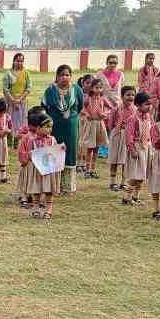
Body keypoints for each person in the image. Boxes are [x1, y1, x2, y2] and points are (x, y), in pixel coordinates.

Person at [42, 64, 85, 193]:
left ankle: (67, 186)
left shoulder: (76, 90)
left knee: (69, 153)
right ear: (57, 77)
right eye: (61, 75)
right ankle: (54, 185)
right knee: (54, 151)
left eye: (67, 75)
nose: (64, 77)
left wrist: (71, 115)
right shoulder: (50, 90)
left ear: (71, 77)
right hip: (54, 127)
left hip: (71, 128)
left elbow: (80, 106)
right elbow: (44, 107)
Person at [24, 113, 59, 219]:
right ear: (38, 127)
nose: (50, 129)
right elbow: (29, 154)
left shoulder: (52, 140)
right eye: (47, 127)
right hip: (37, 169)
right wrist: (31, 155)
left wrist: (60, 150)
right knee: (37, 189)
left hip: (49, 169)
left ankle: (49, 208)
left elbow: (56, 152)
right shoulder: (32, 141)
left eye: (51, 127)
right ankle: (36, 207)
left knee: (48, 189)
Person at [123, 92, 153, 206]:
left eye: (150, 104)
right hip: (137, 147)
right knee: (135, 175)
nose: (149, 106)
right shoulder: (133, 119)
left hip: (147, 147)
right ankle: (127, 197)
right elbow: (129, 135)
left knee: (142, 175)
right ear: (138, 105)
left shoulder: (148, 117)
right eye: (146, 104)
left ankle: (136, 196)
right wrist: (132, 150)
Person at [80, 78, 110, 180]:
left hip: (99, 124)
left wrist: (104, 114)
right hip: (91, 124)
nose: (98, 89)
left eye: (100, 88)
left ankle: (93, 169)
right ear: (92, 88)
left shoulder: (102, 99)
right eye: (96, 87)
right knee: (90, 147)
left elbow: (110, 108)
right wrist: (87, 114)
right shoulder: (88, 98)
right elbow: (82, 108)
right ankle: (87, 169)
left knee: (97, 148)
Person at [108, 86, 136, 191]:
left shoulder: (135, 110)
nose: (130, 97)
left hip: (128, 137)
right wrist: (114, 132)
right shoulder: (116, 109)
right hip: (117, 135)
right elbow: (110, 123)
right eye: (128, 95)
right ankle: (112, 182)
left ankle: (123, 182)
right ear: (122, 96)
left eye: (133, 95)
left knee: (125, 160)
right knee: (114, 159)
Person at [3, 53, 32, 132]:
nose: (19, 63)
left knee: (21, 123)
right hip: (10, 102)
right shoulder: (8, 74)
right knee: (11, 121)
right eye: (17, 61)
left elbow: (28, 88)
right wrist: (13, 100)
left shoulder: (26, 74)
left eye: (21, 61)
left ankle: (20, 141)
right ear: (13, 61)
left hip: (22, 102)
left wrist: (20, 100)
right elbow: (5, 89)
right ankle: (10, 139)